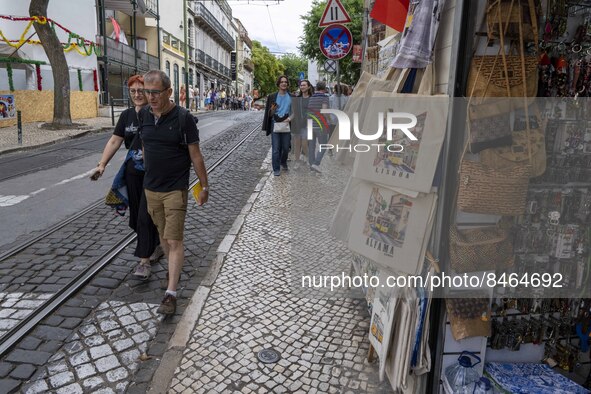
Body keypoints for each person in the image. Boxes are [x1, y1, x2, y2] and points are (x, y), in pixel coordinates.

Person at [139, 70, 209, 315]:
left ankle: (171, 294)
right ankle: (172, 266)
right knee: (162, 235)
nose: (150, 97)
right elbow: (146, 145)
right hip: (151, 188)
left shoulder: (183, 118)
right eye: (147, 92)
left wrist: (204, 186)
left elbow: (196, 154)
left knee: (174, 238)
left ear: (168, 92)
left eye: (155, 92)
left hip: (175, 189)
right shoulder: (144, 116)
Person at [90, 75, 162, 279]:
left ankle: (144, 261)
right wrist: (101, 165)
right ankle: (156, 244)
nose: (138, 95)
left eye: (141, 91)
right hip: (132, 173)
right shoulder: (127, 116)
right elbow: (115, 141)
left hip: (152, 173)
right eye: (133, 92)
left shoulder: (156, 113)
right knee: (136, 218)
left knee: (144, 216)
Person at [262, 75, 293, 177]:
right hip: (275, 124)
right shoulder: (272, 96)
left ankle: (283, 162)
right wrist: (272, 109)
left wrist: (290, 119)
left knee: (285, 148)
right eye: (282, 82)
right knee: (275, 149)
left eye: (285, 82)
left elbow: (295, 111)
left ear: (287, 84)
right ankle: (276, 168)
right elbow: (269, 114)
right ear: (278, 84)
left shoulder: (291, 97)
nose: (284, 83)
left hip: (286, 124)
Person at [307, 81, 330, 172]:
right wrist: (330, 119)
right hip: (320, 124)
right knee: (323, 145)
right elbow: (324, 111)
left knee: (311, 146)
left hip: (310, 124)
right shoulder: (325, 98)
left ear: (316, 88)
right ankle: (316, 163)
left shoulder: (311, 98)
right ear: (324, 89)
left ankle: (311, 165)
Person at [291, 79, 314, 169]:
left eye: (304, 85)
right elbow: (294, 112)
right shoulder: (297, 98)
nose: (302, 87)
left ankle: (308, 158)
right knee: (297, 144)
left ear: (308, 87)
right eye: (301, 85)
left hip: (308, 124)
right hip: (297, 123)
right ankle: (297, 162)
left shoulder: (312, 98)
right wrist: (289, 119)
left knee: (304, 144)